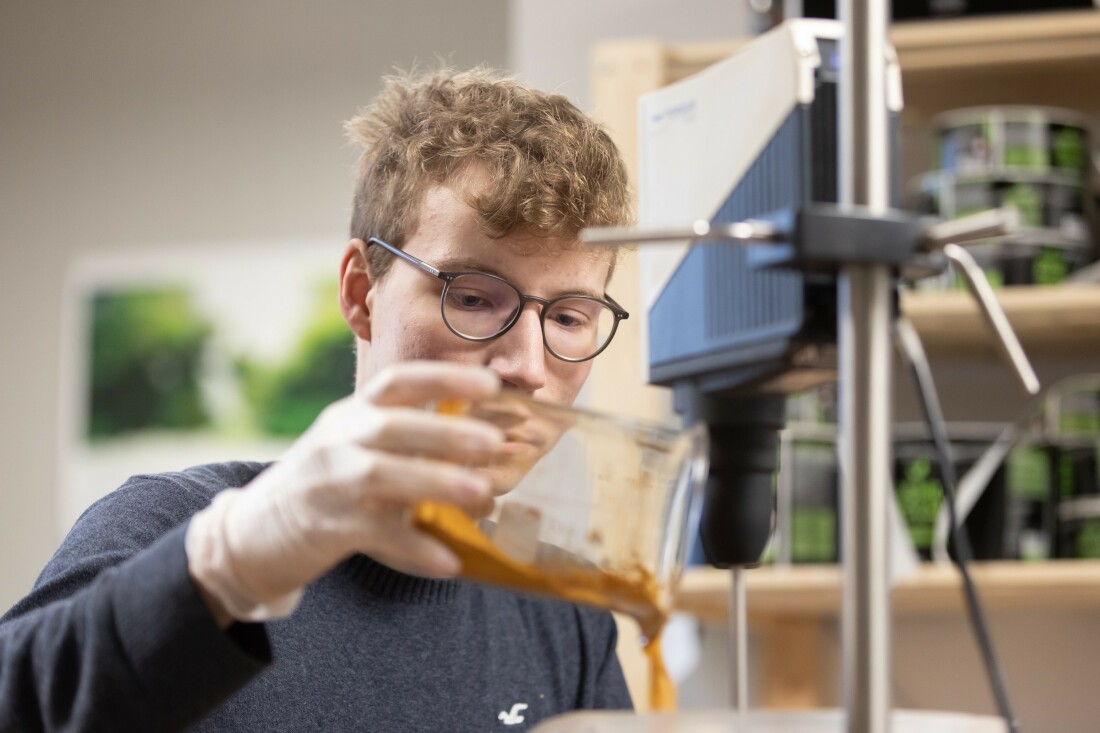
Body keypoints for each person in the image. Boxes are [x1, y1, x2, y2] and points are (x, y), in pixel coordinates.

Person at [0, 67, 635, 732]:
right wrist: (237, 559)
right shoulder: (160, 527)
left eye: (568, 317)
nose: (528, 368)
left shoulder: (562, 613)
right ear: (362, 292)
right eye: (472, 297)